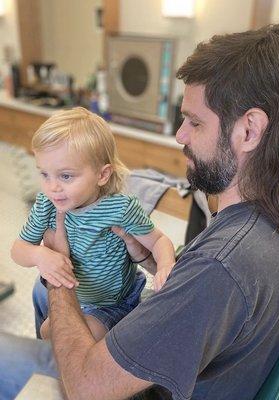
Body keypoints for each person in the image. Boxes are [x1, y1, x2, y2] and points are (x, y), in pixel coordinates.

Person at [1, 23, 279, 400]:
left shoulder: (225, 264)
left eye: (194, 122)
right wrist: (149, 258)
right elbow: (207, 300)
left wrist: (58, 272)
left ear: (250, 130)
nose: (180, 136)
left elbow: (87, 387)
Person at [10, 107, 176, 341]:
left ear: (102, 175)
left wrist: (166, 265)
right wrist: (39, 255)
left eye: (65, 176)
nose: (52, 187)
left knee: (58, 338)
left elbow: (158, 240)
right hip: (75, 295)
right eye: (45, 174)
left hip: (111, 303)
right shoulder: (46, 204)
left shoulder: (120, 208)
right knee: (44, 314)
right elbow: (18, 251)